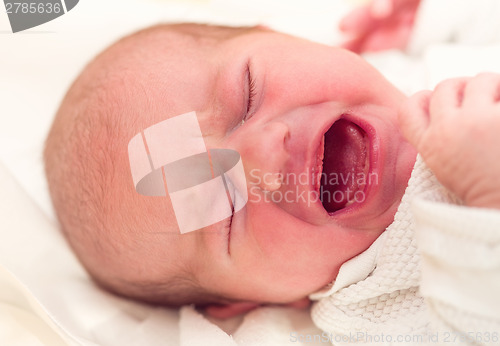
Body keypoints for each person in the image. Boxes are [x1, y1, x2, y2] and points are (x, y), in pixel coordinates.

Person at [44, 20, 500, 343]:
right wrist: (487, 204)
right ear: (245, 301)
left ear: (286, 38)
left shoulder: (415, 62)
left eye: (248, 92)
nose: (263, 152)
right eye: (223, 204)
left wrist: (429, 17)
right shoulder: (375, 310)